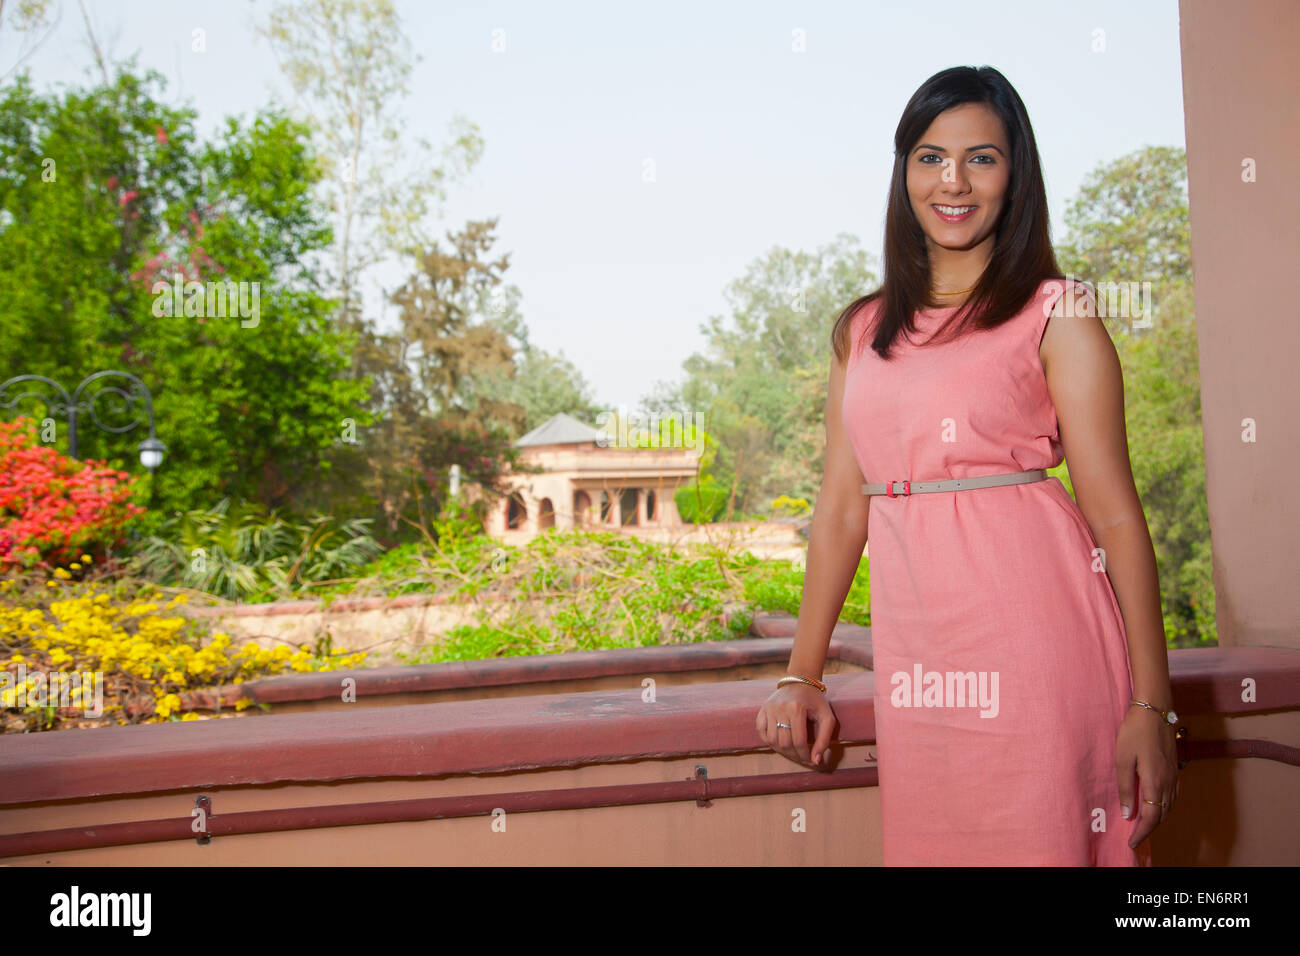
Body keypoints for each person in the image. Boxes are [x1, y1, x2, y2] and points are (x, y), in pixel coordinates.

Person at [755, 65, 1179, 865]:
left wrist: (1153, 707)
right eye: (929, 156)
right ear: (903, 171)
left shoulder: (1060, 312)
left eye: (981, 158)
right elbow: (843, 509)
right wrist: (801, 676)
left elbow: (1116, 515)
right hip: (921, 673)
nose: (953, 181)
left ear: (1015, 174)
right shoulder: (863, 331)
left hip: (1042, 649)